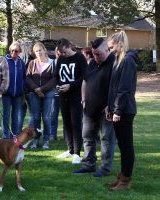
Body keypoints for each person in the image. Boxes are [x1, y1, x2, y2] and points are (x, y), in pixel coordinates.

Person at [73, 38, 116, 176]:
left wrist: (110, 105)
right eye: (94, 54)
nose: (96, 57)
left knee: (107, 139)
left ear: (107, 50)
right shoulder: (92, 63)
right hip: (89, 108)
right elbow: (85, 81)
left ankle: (104, 168)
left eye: (98, 54)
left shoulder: (114, 64)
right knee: (87, 136)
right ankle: (89, 164)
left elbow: (117, 87)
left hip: (106, 110)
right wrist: (84, 99)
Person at [107, 31, 137, 191]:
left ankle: (125, 181)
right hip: (117, 110)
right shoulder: (118, 61)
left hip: (125, 111)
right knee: (122, 146)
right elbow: (113, 88)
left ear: (120, 43)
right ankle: (122, 177)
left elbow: (124, 89)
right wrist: (109, 107)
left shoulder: (127, 61)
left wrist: (117, 111)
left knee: (127, 146)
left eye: (111, 47)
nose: (110, 50)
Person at [55, 38, 87, 164]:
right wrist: (58, 85)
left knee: (76, 123)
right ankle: (70, 149)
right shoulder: (61, 59)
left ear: (69, 46)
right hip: (63, 95)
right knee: (66, 123)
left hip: (75, 95)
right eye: (61, 52)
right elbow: (56, 76)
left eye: (64, 52)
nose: (63, 55)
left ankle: (77, 153)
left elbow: (84, 77)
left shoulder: (80, 58)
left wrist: (71, 86)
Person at [27, 42, 55, 150]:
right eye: (36, 51)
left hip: (48, 93)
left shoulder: (52, 63)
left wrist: (42, 89)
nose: (38, 52)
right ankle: (36, 139)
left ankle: (46, 140)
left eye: (40, 50)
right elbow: (28, 78)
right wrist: (36, 89)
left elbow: (54, 79)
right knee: (36, 117)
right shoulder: (32, 63)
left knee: (46, 118)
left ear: (44, 50)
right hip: (34, 93)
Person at [1, 42, 26, 138]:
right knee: (6, 116)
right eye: (12, 50)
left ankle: (14, 137)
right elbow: (0, 75)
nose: (13, 52)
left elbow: (24, 77)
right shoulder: (4, 61)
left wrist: (22, 87)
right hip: (7, 93)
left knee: (15, 117)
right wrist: (3, 88)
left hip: (18, 94)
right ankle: (5, 136)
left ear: (19, 51)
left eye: (16, 51)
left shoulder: (21, 62)